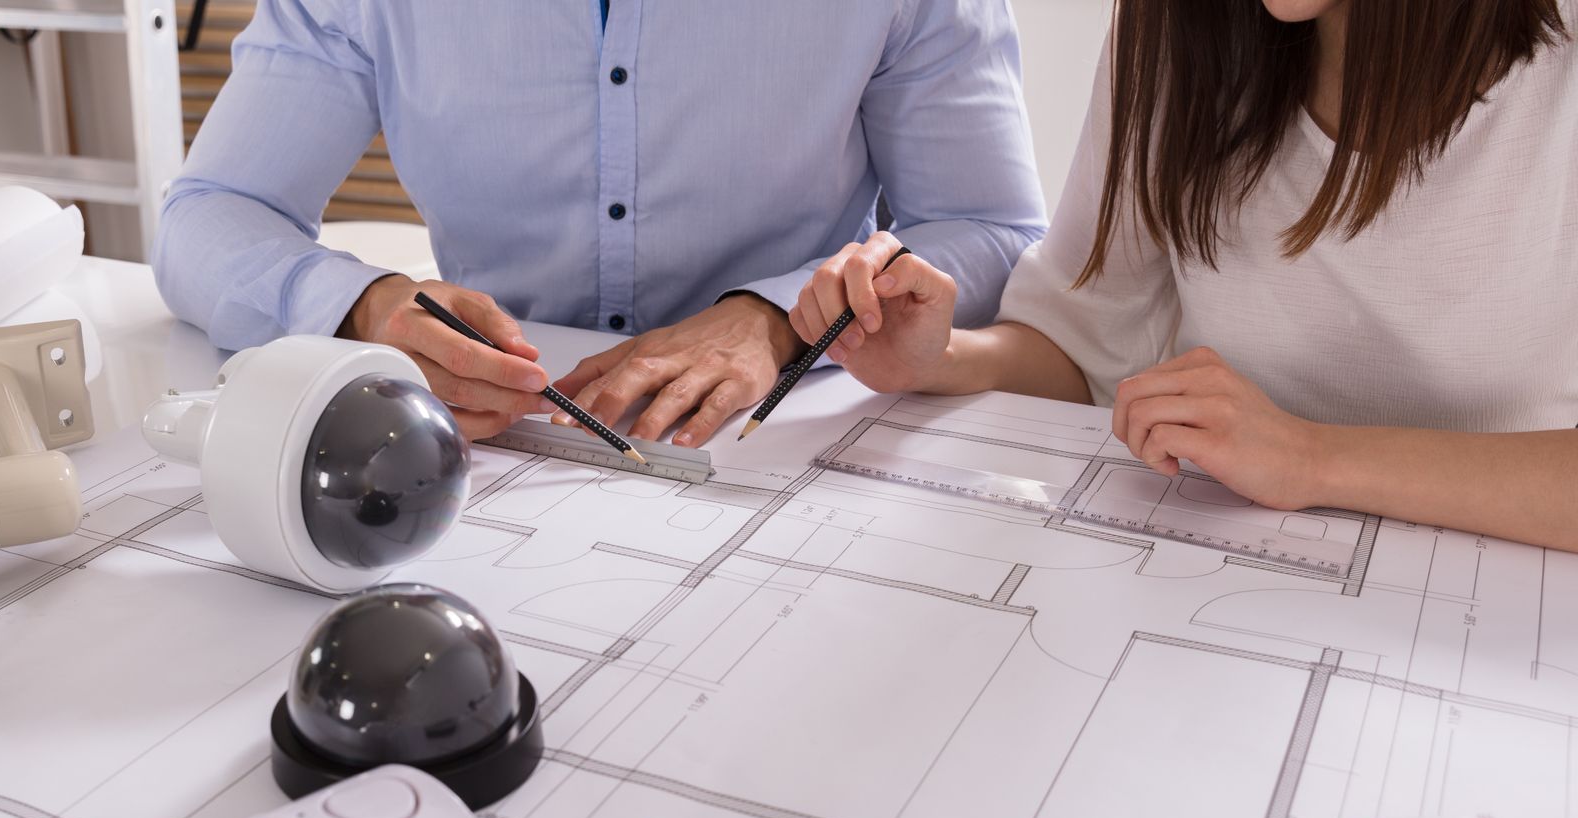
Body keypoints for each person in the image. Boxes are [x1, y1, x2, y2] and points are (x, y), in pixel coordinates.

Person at [797, 0, 1578, 551]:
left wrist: (1312, 458)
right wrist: (939, 358)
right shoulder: (1177, 27)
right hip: (1219, 567)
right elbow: (1081, 341)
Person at [152, 1, 1047, 445]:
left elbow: (990, 227)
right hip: (494, 443)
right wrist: (363, 306)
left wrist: (778, 318)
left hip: (784, 432)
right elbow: (209, 213)